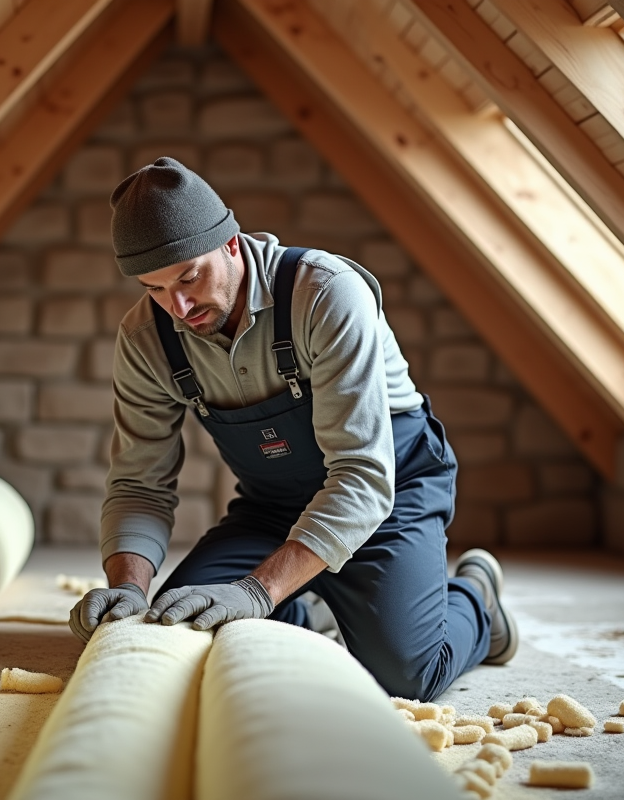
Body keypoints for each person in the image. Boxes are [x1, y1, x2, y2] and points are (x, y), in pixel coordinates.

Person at [68, 157, 517, 700]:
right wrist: (128, 589)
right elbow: (139, 484)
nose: (178, 307)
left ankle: (475, 600)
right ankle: (311, 600)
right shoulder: (146, 339)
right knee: (181, 622)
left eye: (189, 277)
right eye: (155, 288)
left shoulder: (326, 293)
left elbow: (362, 475)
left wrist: (258, 591)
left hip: (388, 492)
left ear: (231, 244)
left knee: (405, 675)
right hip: (274, 507)